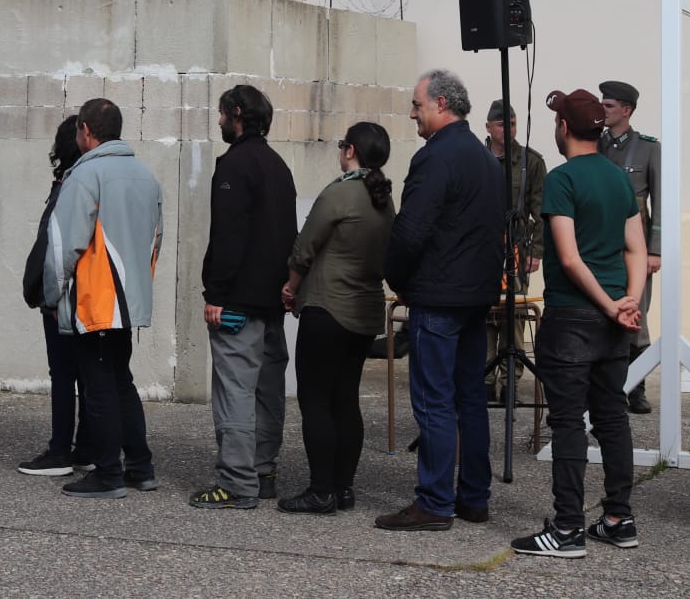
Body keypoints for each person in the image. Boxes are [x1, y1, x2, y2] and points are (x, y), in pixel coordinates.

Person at [511, 89, 647, 560]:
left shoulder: (562, 179)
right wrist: (629, 303)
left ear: (563, 128)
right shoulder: (617, 178)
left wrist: (612, 306)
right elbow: (637, 250)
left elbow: (567, 258)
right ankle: (618, 518)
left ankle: (567, 529)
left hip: (573, 316)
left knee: (568, 421)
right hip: (613, 318)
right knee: (612, 417)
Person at [375, 69, 503, 533]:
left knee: (433, 400)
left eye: (417, 105)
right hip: (474, 298)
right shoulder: (486, 160)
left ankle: (433, 501)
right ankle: (473, 497)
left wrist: (397, 277)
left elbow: (411, 230)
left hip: (440, 297)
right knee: (469, 398)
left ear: (442, 105)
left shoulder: (437, 158)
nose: (413, 113)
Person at [44, 98, 162, 499]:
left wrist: (51, 294)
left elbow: (64, 247)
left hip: (93, 300)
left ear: (85, 130)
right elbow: (154, 241)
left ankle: (109, 473)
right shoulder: (146, 176)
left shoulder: (84, 175)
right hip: (128, 301)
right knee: (121, 382)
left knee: (97, 389)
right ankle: (140, 467)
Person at [279, 121, 393, 514]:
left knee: (315, 399)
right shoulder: (383, 198)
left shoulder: (340, 193)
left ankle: (321, 489)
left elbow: (304, 247)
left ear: (350, 151)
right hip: (364, 313)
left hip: (327, 307)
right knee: (346, 399)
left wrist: (291, 287)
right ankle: (343, 487)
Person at [191, 84, 297, 510]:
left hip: (237, 302)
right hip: (273, 301)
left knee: (234, 390)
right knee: (267, 391)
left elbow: (229, 234)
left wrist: (216, 293)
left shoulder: (235, 165)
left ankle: (236, 483)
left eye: (221, 114)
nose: (218, 121)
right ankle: (263, 471)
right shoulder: (278, 165)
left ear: (236, 113)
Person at [18, 115, 91, 476]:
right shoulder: (95, 179)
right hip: (92, 292)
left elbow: (53, 244)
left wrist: (44, 293)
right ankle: (86, 446)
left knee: (62, 373)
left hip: (64, 294)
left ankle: (60, 449)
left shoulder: (69, 184)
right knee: (87, 373)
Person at [597, 80, 661, 414]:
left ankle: (637, 388)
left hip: (635, 248)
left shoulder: (648, 147)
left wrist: (655, 249)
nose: (602, 110)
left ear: (627, 110)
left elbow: (660, 201)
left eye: (608, 105)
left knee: (637, 315)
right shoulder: (594, 144)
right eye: (601, 104)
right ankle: (608, 386)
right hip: (600, 245)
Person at [482, 99, 545, 406]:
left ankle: (509, 382)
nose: (509, 130)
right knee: (482, 315)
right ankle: (485, 380)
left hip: (515, 249)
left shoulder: (529, 161)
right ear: (488, 128)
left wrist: (536, 250)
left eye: (513, 124)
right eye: (502, 124)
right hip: (480, 248)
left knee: (514, 315)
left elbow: (541, 211)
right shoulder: (476, 158)